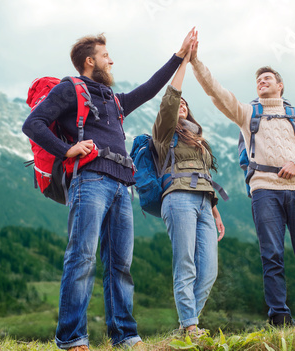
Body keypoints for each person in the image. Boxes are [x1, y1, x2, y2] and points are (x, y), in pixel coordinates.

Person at [22, 29, 196, 350]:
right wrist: (67, 150)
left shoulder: (113, 100)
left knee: (120, 264)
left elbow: (149, 88)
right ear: (90, 61)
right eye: (105, 56)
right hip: (90, 180)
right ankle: (73, 339)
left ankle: (125, 336)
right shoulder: (69, 90)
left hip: (121, 185)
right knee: (83, 257)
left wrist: (179, 55)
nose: (111, 60)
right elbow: (32, 123)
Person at [189, 36, 295, 326]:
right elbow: (217, 93)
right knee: (272, 255)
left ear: (280, 85)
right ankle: (279, 317)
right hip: (264, 190)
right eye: (258, 80)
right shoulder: (247, 113)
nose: (261, 82)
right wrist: (195, 61)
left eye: (267, 78)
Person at [152, 41, 225, 335]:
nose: (181, 105)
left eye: (185, 104)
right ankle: (191, 326)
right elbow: (171, 98)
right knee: (186, 264)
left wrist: (216, 211)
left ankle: (184, 327)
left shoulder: (199, 139)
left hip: (204, 203)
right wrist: (184, 61)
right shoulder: (164, 132)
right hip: (178, 198)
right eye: (178, 104)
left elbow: (204, 175)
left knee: (208, 271)